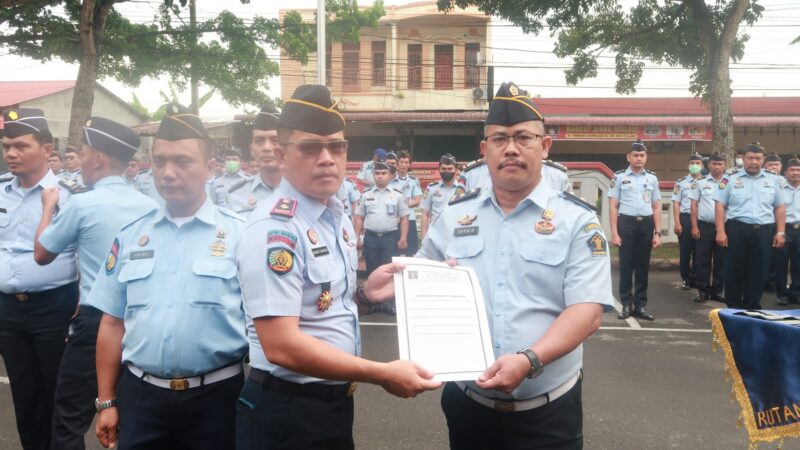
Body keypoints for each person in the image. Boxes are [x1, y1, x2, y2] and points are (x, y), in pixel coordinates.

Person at [366, 81, 613, 449]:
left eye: (523, 138)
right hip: (469, 407)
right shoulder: (456, 215)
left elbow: (587, 311)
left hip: (547, 414)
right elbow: (422, 274)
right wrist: (386, 286)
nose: (510, 149)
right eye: (499, 139)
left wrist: (529, 360)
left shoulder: (577, 220)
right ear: (484, 149)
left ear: (544, 146)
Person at [235, 84, 440, 450]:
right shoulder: (275, 229)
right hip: (286, 410)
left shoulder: (336, 217)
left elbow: (320, 310)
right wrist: (381, 373)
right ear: (281, 155)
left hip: (330, 404)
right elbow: (281, 345)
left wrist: (364, 295)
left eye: (337, 146)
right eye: (311, 148)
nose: (327, 158)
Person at [88, 104, 248, 450]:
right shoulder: (131, 236)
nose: (168, 172)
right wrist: (106, 401)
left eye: (182, 161)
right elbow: (112, 323)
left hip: (218, 399)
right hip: (142, 398)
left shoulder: (240, 236)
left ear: (209, 168)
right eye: (159, 161)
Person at [33, 117, 158, 449]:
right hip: (143, 320)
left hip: (96, 322)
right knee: (135, 412)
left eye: (84, 153)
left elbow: (42, 253)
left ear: (99, 159)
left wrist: (48, 208)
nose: (82, 160)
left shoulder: (81, 204)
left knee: (70, 418)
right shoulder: (151, 206)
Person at [0, 108, 79, 450]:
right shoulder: (1, 190)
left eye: (20, 146)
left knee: (59, 398)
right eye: (6, 147)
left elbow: (88, 254)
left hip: (54, 308)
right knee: (25, 398)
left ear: (47, 149)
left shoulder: (70, 195)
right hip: (7, 311)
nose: (10, 154)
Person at [715, 143, 785, 310]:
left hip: (764, 230)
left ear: (763, 160)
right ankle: (733, 307)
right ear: (743, 159)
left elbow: (780, 207)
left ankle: (752, 305)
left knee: (759, 271)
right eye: (750, 158)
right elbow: (720, 206)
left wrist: (781, 232)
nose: (754, 162)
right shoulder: (730, 178)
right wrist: (720, 231)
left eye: (758, 158)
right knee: (734, 270)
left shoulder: (774, 180)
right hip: (737, 229)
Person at [608, 140, 661, 321]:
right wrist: (614, 233)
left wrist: (658, 232)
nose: (639, 158)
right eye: (635, 155)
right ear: (628, 157)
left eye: (642, 155)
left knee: (642, 267)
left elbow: (656, 206)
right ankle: (626, 304)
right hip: (627, 224)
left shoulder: (652, 178)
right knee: (626, 266)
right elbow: (613, 206)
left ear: (646, 157)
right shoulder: (619, 177)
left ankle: (640, 305)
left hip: (646, 225)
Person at [353, 159, 408, 278]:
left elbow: (404, 218)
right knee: (371, 269)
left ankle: (387, 296)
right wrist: (356, 237)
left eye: (383, 173)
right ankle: (372, 295)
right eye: (377, 173)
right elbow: (359, 217)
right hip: (371, 238)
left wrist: (403, 238)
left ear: (390, 175)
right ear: (373, 175)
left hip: (390, 238)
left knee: (389, 270)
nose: (380, 176)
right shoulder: (366, 194)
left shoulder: (398, 195)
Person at [225, 105, 283, 216]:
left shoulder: (302, 192)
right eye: (259, 141)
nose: (266, 147)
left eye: (275, 140)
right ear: (252, 150)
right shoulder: (235, 194)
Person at [689, 153, 726, 303]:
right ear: (709, 165)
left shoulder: (730, 183)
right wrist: (694, 226)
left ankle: (717, 291)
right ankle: (703, 291)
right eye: (714, 164)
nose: (717, 167)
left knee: (721, 261)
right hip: (704, 226)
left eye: (720, 164)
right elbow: (694, 205)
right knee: (702, 260)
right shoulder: (700, 182)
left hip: (724, 227)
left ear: (724, 165)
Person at [672, 154, 704, 290]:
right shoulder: (681, 182)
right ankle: (686, 278)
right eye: (692, 163)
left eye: (698, 163)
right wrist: (677, 222)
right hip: (685, 218)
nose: (695, 165)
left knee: (700, 251)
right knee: (686, 251)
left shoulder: (707, 182)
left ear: (702, 165)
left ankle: (696, 278)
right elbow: (676, 203)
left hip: (701, 220)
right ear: (688, 165)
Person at [420, 153, 464, 238]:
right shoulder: (431, 188)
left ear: (456, 169)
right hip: (436, 234)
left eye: (450, 168)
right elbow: (425, 214)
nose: (446, 171)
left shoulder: (463, 189)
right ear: (439, 169)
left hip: (456, 234)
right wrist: (424, 237)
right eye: (443, 168)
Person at [763, 153, 787, 295]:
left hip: (781, 223)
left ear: (781, 167)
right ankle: (763, 280)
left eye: (776, 165)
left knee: (778, 254)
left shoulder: (785, 182)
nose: (773, 167)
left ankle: (773, 281)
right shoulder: (761, 180)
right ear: (765, 166)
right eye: (770, 165)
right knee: (764, 252)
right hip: (765, 222)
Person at [394, 150, 423, 255]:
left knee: (411, 251)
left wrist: (400, 205)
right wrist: (406, 203)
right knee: (393, 251)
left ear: (409, 165)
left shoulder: (413, 181)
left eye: (406, 162)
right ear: (397, 164)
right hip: (393, 219)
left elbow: (417, 200)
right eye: (401, 162)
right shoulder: (390, 180)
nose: (403, 165)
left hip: (410, 218)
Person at [780, 157, 800, 304]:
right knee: (781, 263)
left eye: (798, 170)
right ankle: (782, 294)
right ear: (785, 172)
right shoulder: (779, 188)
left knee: (798, 263)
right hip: (783, 229)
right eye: (792, 170)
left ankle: (796, 292)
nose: (795, 173)